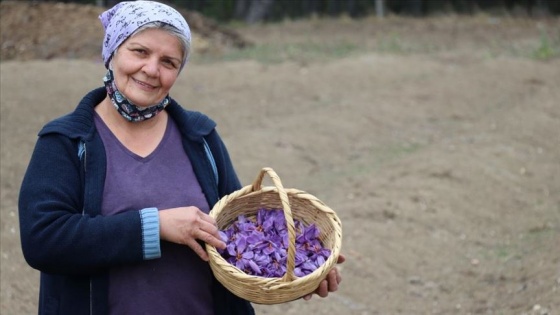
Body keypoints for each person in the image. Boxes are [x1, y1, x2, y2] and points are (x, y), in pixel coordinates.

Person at [18, 1, 344, 314]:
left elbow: (234, 234)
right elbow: (43, 240)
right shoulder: (66, 141)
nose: (151, 70)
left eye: (168, 62)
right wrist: (155, 226)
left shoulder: (199, 137)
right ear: (113, 52)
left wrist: (298, 268)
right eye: (140, 52)